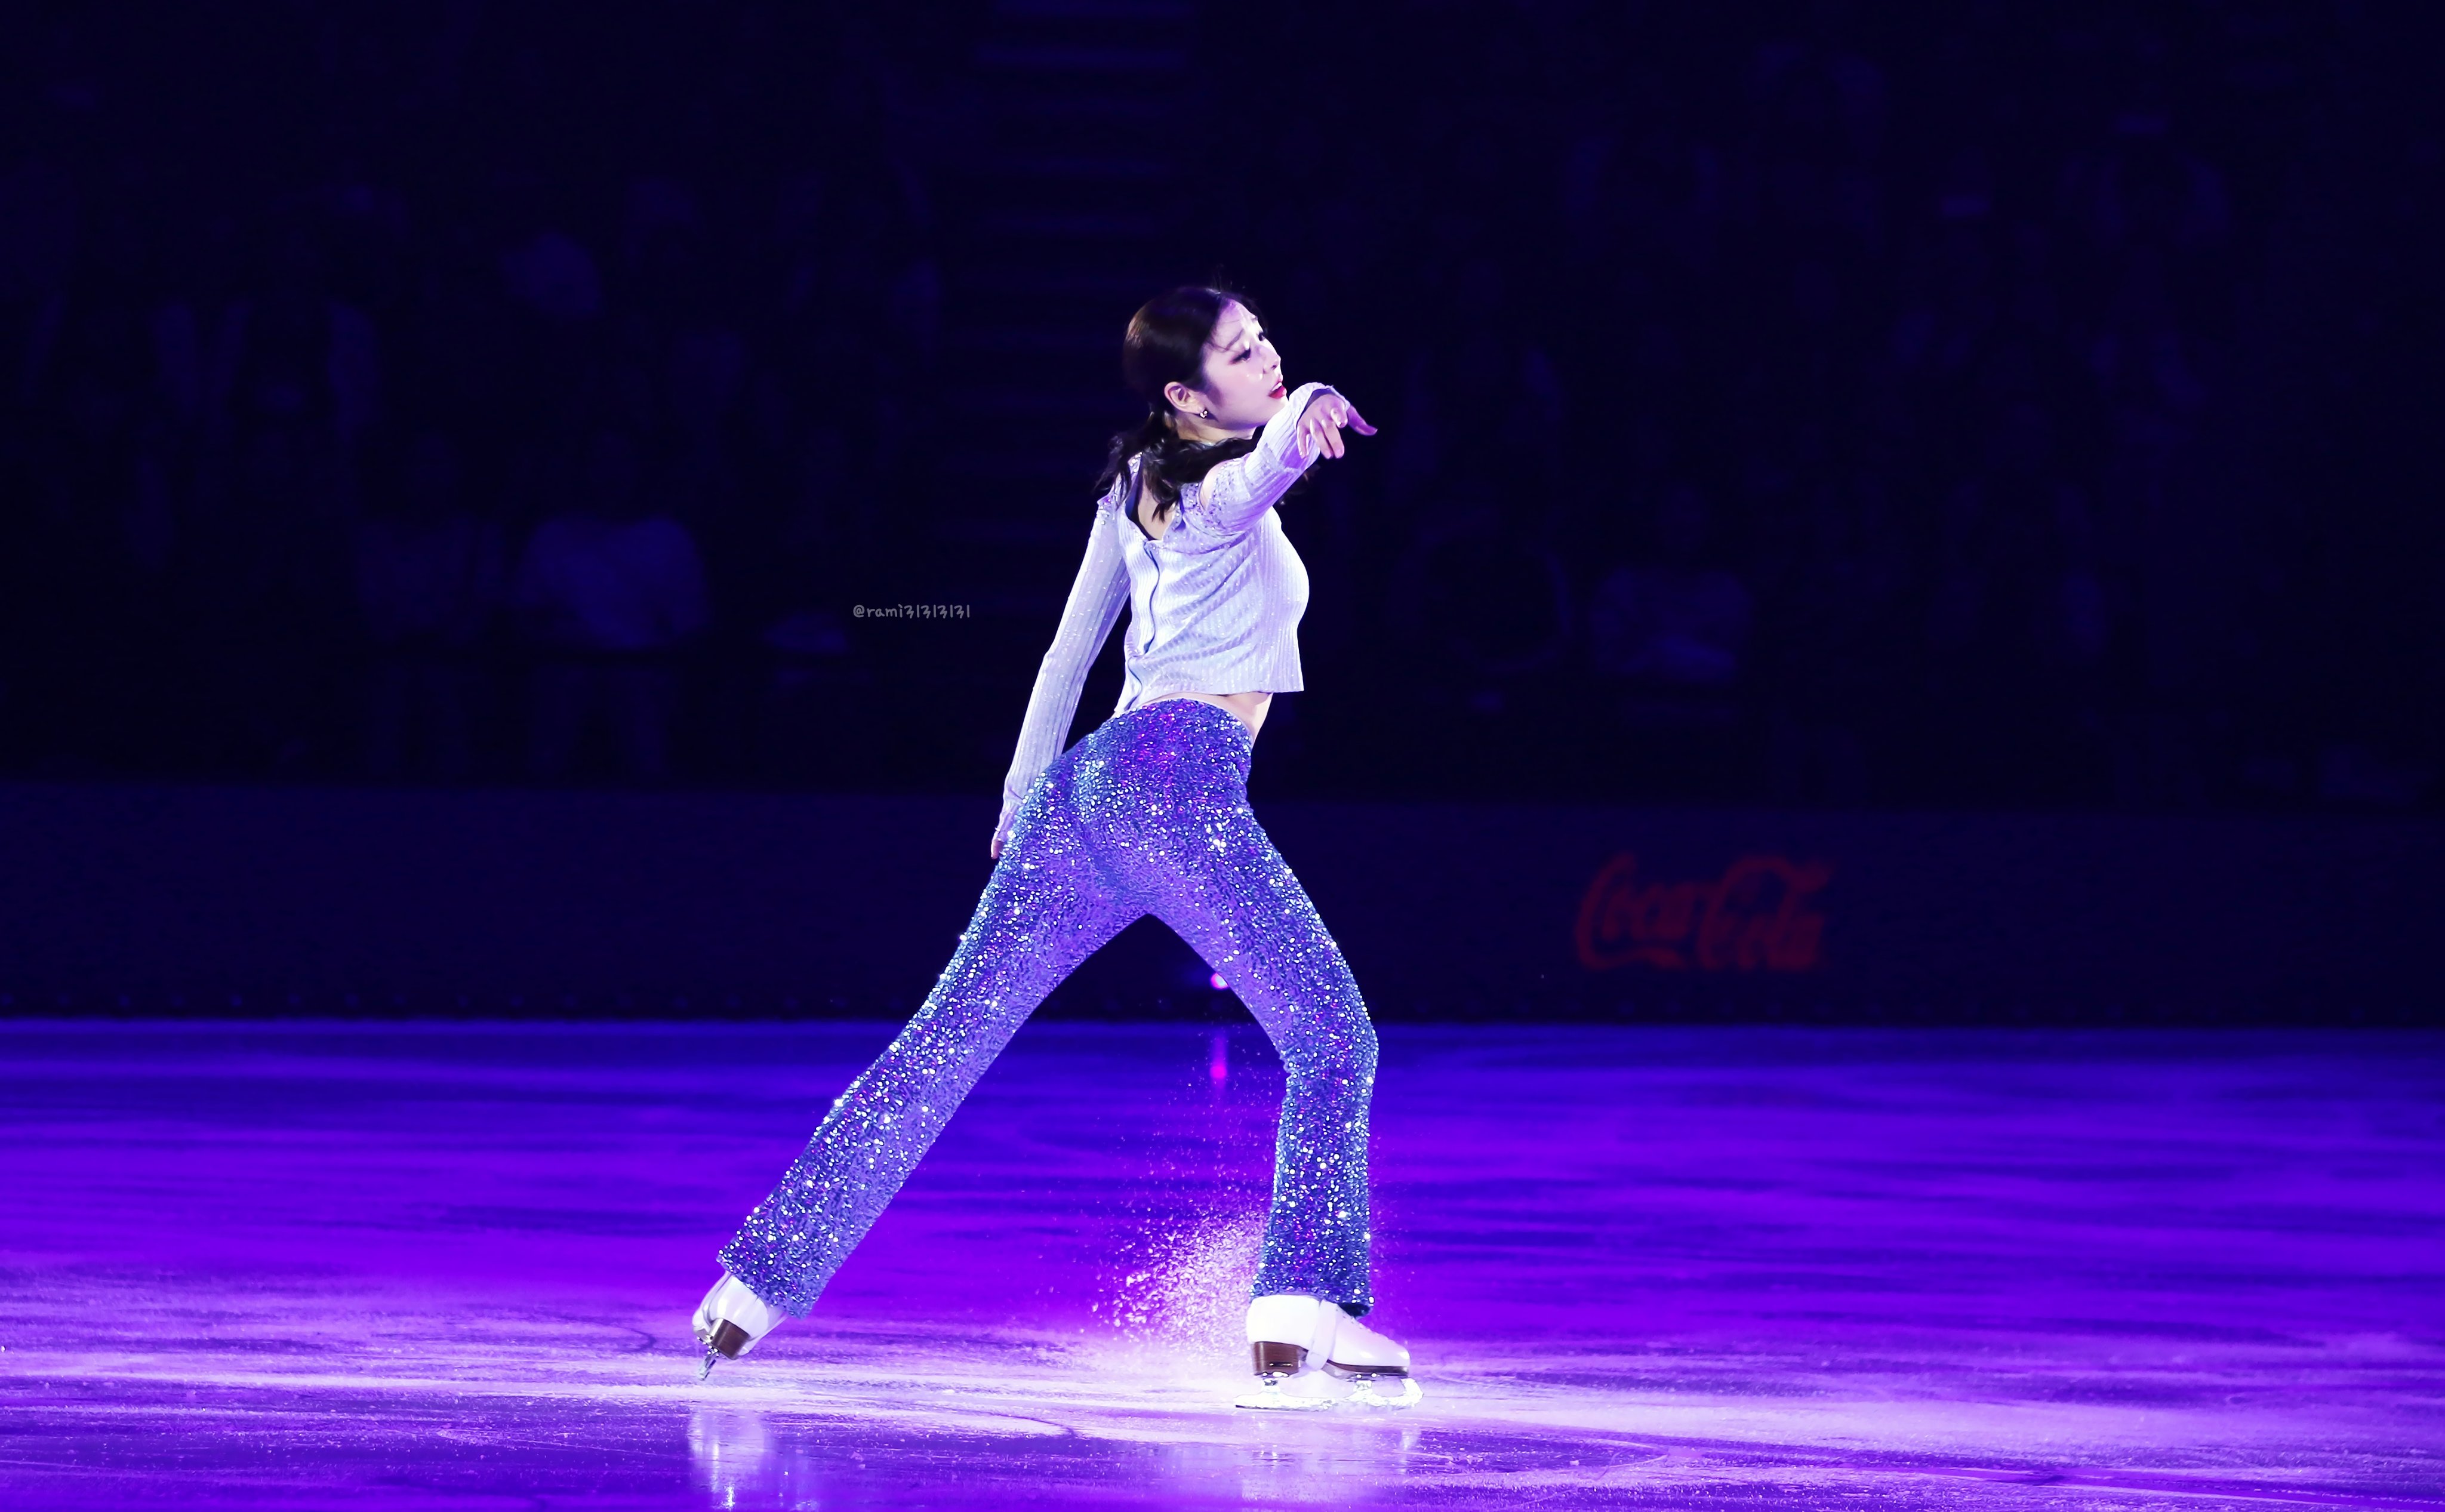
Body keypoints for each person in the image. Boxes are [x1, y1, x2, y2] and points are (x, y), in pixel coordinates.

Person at [691, 287, 1415, 1408]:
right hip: (1176, 781)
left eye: (1266, 341)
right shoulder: (1214, 489)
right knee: (1336, 1037)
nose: (1266, 357)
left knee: (943, 1045)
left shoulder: (1133, 490)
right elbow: (1252, 476)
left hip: (1087, 789)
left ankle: (748, 1289)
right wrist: (1308, 404)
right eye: (1241, 351)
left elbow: (1065, 657)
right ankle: (1294, 1319)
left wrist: (1025, 796)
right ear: (1184, 396)